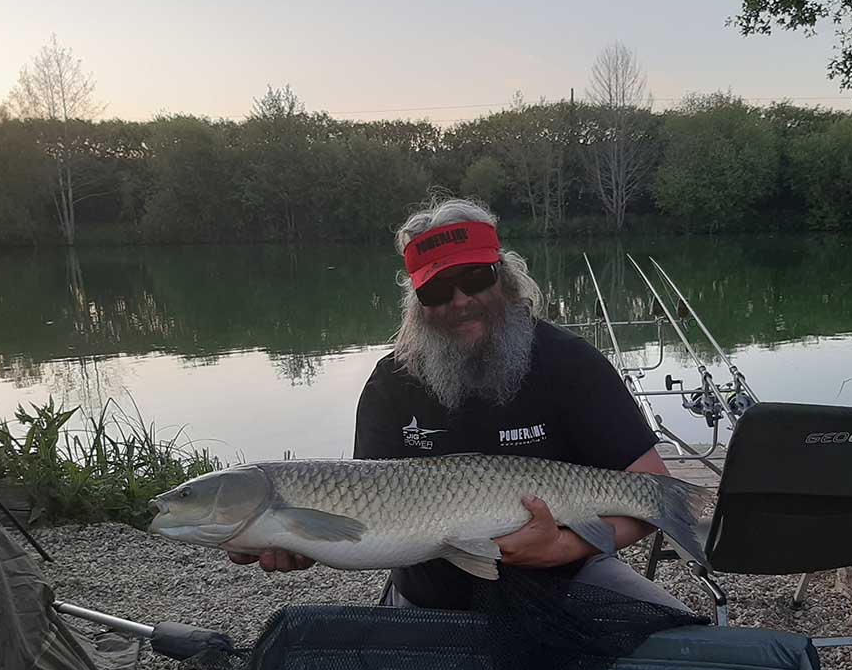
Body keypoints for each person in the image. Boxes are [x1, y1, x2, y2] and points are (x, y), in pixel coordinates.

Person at [230, 196, 692, 612]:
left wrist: (565, 547)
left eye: (475, 278)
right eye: (437, 291)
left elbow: (651, 491)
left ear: (506, 280)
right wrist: (297, 539)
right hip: (431, 597)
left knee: (681, 654)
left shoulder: (572, 364)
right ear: (417, 303)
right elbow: (364, 514)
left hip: (570, 581)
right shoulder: (391, 385)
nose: (460, 301)